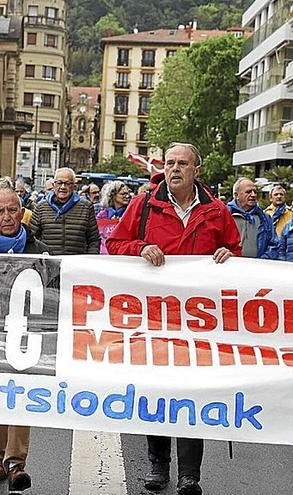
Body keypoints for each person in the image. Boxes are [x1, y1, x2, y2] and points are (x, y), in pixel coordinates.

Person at [106, 143, 240, 495]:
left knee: (193, 394)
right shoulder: (144, 205)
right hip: (155, 319)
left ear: (197, 169)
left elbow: (237, 253)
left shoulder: (217, 210)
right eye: (169, 163)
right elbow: (116, 245)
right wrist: (140, 248)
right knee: (159, 392)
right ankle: (158, 466)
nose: (174, 168)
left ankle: (190, 474)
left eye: (182, 163)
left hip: (199, 322)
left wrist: (229, 254)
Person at [0, 187, 49, 492]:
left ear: (22, 213)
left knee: (20, 394)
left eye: (12, 210)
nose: (7, 217)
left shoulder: (40, 251)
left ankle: (16, 462)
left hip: (27, 334)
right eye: (0, 211)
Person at [30, 168, 101, 255]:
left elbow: (94, 240)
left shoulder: (86, 207)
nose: (63, 187)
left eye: (67, 183)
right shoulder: (41, 207)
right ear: (53, 185)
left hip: (77, 264)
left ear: (74, 186)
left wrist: (89, 259)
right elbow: (32, 239)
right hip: (48, 263)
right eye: (59, 183)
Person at [227, 177, 274, 259]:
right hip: (229, 266)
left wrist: (263, 260)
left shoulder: (265, 218)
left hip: (257, 268)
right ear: (236, 195)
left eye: (255, 192)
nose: (253, 195)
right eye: (248, 192)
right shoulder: (225, 215)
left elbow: (273, 244)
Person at [96, 180, 131, 254]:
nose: (127, 196)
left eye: (128, 193)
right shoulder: (102, 216)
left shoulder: (130, 213)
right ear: (113, 195)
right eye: (123, 194)